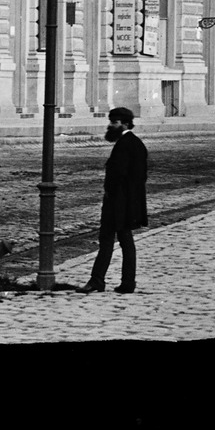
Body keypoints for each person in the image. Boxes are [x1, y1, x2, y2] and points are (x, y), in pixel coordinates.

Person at [85, 104, 149, 292]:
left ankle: (98, 280)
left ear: (125, 124)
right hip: (126, 202)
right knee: (125, 240)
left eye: (115, 122)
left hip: (118, 203)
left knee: (107, 240)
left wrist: (112, 195)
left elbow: (120, 175)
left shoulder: (125, 144)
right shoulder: (134, 143)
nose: (111, 125)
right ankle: (126, 282)